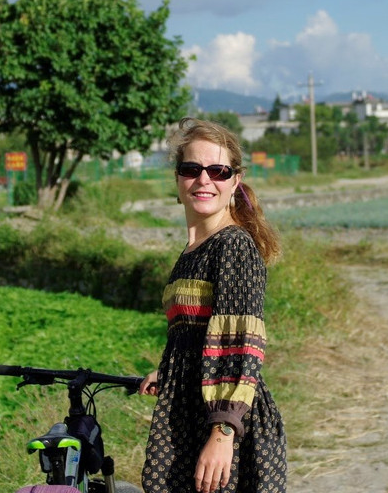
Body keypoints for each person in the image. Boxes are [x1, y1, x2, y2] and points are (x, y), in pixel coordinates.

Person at [141, 117, 287, 493]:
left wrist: (223, 433)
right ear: (177, 179)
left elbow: (240, 344)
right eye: (192, 169)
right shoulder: (193, 250)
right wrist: (171, 369)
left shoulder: (232, 246)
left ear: (234, 181)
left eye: (218, 170)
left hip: (222, 420)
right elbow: (193, 332)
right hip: (188, 408)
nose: (204, 180)